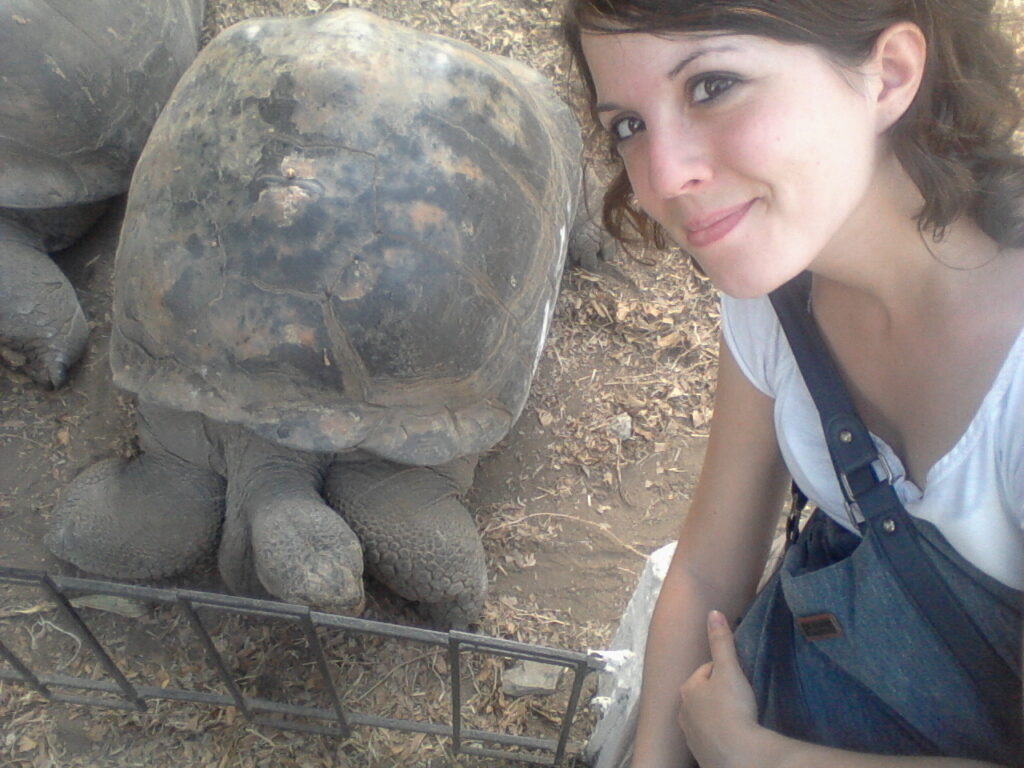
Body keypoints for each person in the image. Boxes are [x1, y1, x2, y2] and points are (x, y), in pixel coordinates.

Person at [561, 1, 1024, 766]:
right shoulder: (778, 293)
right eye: (629, 125)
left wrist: (753, 756)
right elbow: (712, 557)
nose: (665, 179)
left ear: (889, 75)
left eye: (713, 85)